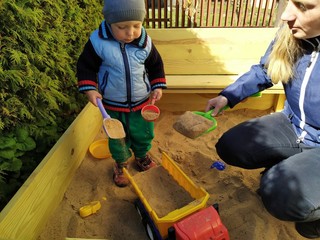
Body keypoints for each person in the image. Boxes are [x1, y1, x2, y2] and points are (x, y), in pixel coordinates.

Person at [205, 0, 320, 238]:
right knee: (232, 146)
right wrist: (229, 96)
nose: (287, 15)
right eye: (289, 2)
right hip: (293, 123)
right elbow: (267, 68)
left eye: (304, 6)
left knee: (282, 196)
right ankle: (290, 169)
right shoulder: (293, 31)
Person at [77, 0, 166, 187]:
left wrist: (157, 86)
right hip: (112, 104)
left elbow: (156, 65)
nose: (130, 32)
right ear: (109, 23)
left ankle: (142, 157)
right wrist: (90, 89)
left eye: (136, 25)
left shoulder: (145, 43)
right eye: (122, 27)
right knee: (117, 138)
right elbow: (85, 67)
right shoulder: (98, 43)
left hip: (142, 102)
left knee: (143, 133)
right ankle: (121, 163)